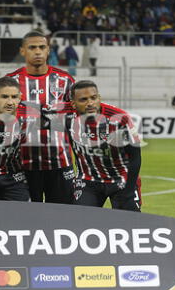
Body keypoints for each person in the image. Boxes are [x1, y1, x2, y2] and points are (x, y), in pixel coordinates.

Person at [6, 30, 76, 204]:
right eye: (32, 47)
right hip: (22, 164)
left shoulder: (65, 80)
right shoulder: (10, 82)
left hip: (60, 162)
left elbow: (76, 119)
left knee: (62, 217)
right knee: (26, 219)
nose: (37, 51)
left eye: (41, 47)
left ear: (48, 50)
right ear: (23, 51)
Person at [52, 80, 142, 211]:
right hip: (88, 180)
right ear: (73, 104)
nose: (90, 103)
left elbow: (135, 157)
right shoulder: (66, 117)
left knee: (130, 223)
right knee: (79, 221)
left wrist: (128, 190)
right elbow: (34, 111)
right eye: (83, 100)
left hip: (121, 179)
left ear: (99, 98)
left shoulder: (119, 119)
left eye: (93, 98)